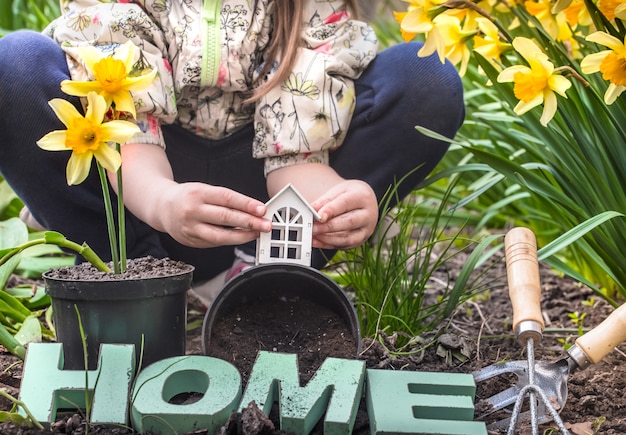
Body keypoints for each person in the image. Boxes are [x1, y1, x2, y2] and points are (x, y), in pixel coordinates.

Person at [0, 0, 465, 306]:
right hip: (140, 188)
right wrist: (164, 201)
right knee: (14, 66)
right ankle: (134, 279)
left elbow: (299, 154)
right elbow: (127, 121)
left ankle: (269, 278)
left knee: (426, 81)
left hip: (255, 201)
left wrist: (340, 200)